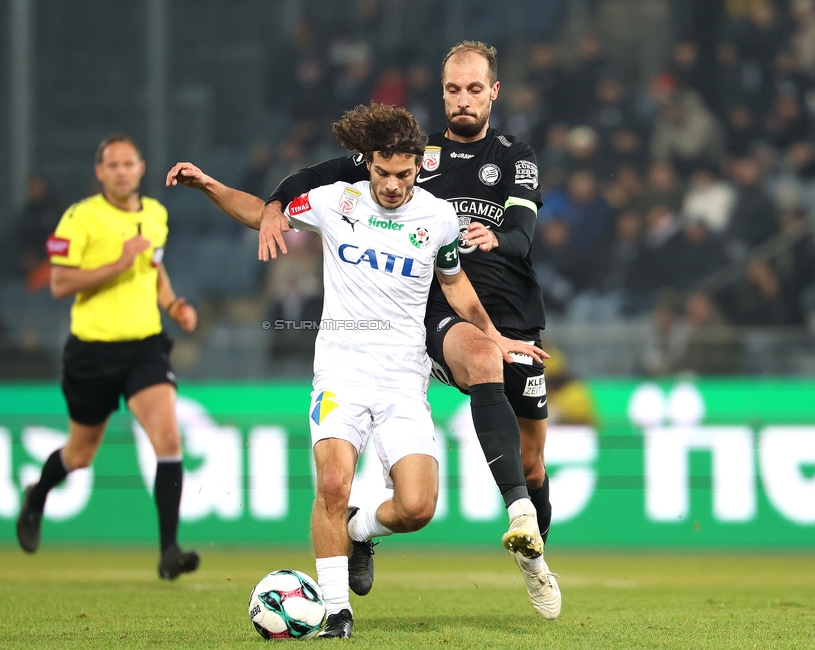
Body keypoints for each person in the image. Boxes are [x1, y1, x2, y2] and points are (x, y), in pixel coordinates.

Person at [172, 41, 562, 619]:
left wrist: (497, 317)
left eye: (474, 88)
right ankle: (337, 614)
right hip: (364, 359)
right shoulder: (350, 194)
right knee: (335, 482)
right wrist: (230, 191)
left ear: (493, 92)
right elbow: (293, 188)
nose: (395, 183)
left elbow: (487, 260)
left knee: (493, 479)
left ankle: (501, 550)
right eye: (453, 88)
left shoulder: (464, 194)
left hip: (472, 335)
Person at [16, 135, 200, 581]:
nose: (121, 171)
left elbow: (154, 268)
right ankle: (37, 496)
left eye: (128, 163)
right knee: (79, 454)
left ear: (141, 168)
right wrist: (117, 264)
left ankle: (169, 551)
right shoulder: (79, 218)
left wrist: (173, 304)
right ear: (99, 172)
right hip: (92, 352)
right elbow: (59, 284)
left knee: (168, 439)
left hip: (144, 348)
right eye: (112, 165)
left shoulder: (155, 214)